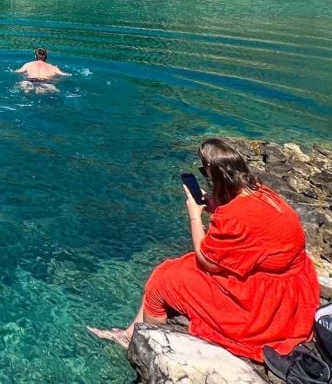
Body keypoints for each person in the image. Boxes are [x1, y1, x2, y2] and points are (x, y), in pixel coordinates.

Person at [88, 138, 319, 361]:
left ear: (215, 175)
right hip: (293, 290)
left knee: (161, 282)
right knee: (173, 267)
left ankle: (149, 349)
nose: (203, 176)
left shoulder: (234, 217)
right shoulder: (263, 193)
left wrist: (194, 215)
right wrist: (215, 202)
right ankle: (129, 335)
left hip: (262, 305)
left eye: (204, 172)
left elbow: (206, 259)